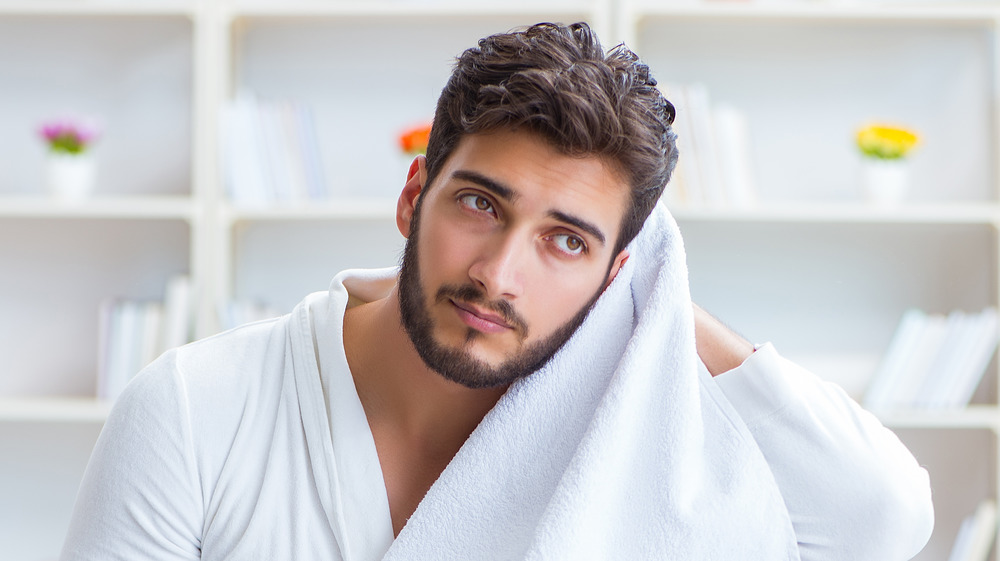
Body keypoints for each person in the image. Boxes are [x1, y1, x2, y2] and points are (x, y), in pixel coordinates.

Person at [62, 22, 933, 560]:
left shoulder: (613, 434)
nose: (499, 274)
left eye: (567, 240)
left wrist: (658, 295)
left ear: (616, 278)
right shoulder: (193, 409)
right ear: (413, 196)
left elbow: (879, 514)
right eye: (481, 205)